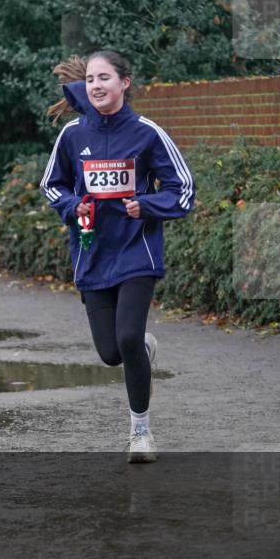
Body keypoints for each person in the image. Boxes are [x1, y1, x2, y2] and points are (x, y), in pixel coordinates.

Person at [41, 51, 195, 463]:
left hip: (136, 252)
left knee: (126, 337)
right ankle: (141, 350)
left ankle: (140, 433)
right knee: (112, 353)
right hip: (91, 255)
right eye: (90, 79)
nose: (95, 86)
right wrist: (74, 205)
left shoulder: (147, 133)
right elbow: (52, 186)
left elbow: (181, 189)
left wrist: (145, 205)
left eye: (104, 77)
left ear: (124, 83)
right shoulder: (72, 134)